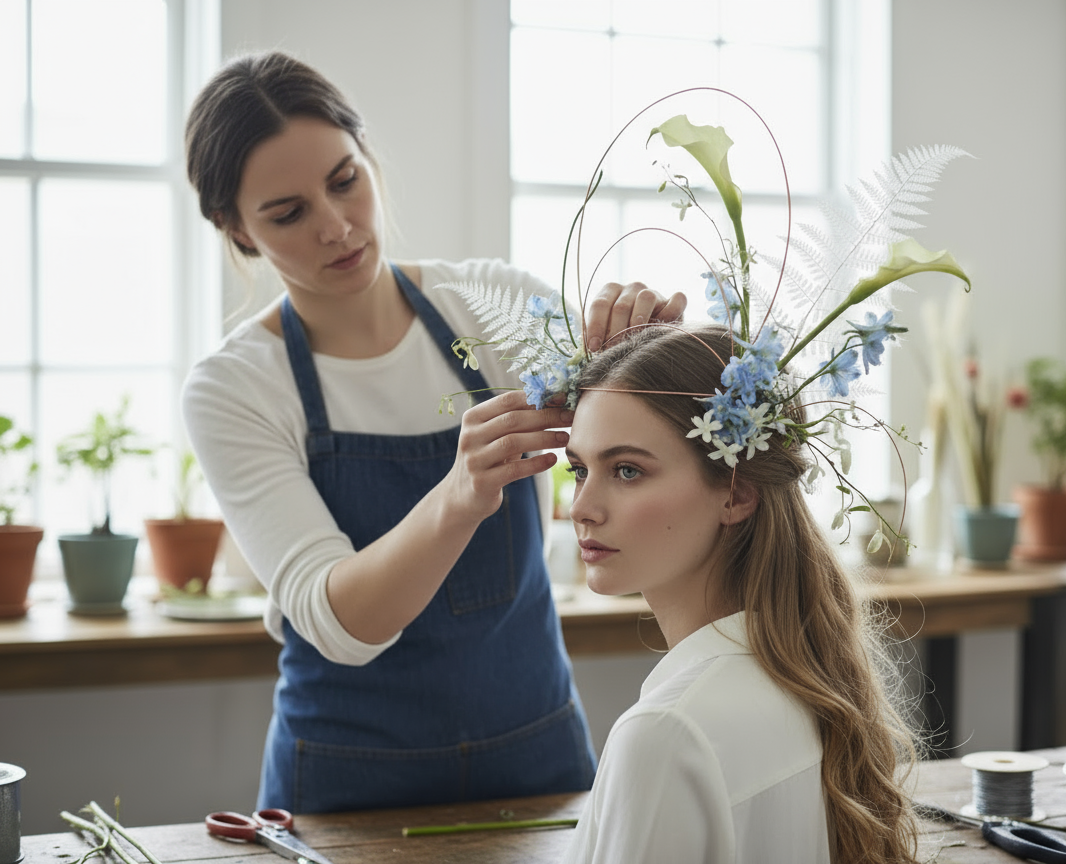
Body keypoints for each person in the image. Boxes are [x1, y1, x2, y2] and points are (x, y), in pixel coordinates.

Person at [180, 50, 685, 814]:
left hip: (538, 758)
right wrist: (459, 494)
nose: (337, 226)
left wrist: (646, 353)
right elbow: (340, 622)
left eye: (345, 180)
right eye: (288, 213)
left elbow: (646, 448)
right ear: (235, 230)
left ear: (368, 160)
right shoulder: (236, 387)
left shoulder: (495, 308)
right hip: (346, 785)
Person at [559, 323, 921, 864]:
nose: (581, 506)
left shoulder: (665, 734)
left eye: (627, 470)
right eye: (580, 468)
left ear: (735, 494)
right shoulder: (804, 681)